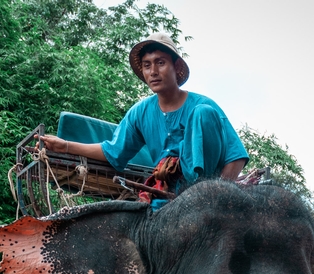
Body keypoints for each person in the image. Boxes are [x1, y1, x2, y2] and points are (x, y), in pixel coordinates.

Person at [36, 32, 248, 199]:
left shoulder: (203, 105)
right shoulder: (140, 112)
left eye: (160, 62)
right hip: (165, 189)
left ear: (176, 66)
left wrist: (219, 195)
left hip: (205, 190)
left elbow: (235, 155)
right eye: (147, 66)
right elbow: (113, 151)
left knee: (202, 114)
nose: (153, 71)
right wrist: (63, 145)